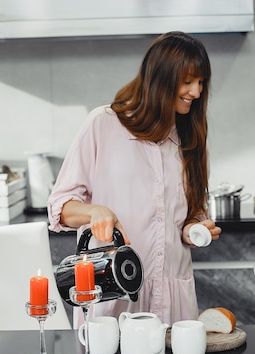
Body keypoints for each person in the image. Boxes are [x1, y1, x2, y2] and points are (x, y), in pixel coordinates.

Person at [48, 31, 221, 327]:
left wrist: (195, 227)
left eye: (201, 82)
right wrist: (94, 211)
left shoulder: (189, 136)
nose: (197, 92)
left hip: (172, 297)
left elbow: (190, 213)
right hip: (112, 290)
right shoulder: (103, 124)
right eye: (188, 81)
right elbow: (60, 207)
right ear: (161, 78)